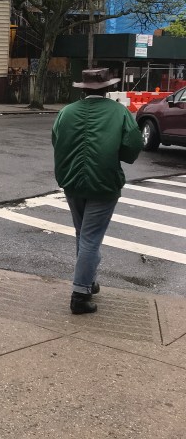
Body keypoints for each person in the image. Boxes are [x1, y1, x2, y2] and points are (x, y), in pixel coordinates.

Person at [52, 68, 143, 315]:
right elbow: (133, 146)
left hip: (71, 181)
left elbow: (56, 140)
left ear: (82, 89)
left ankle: (88, 280)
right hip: (104, 183)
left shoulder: (66, 112)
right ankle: (80, 293)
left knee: (83, 234)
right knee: (91, 238)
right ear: (108, 89)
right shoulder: (119, 112)